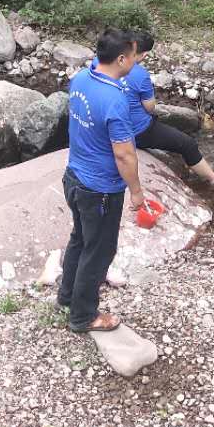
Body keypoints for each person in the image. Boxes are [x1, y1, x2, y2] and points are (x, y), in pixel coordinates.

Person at [58, 28, 147, 333]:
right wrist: (137, 192)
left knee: (81, 239)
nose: (136, 61)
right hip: (100, 190)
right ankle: (83, 316)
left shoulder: (82, 79)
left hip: (73, 177)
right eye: (134, 56)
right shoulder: (115, 100)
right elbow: (124, 155)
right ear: (121, 59)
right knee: (98, 251)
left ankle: (67, 297)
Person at [124, 30, 214, 190]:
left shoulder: (102, 63)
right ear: (144, 54)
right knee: (187, 144)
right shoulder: (139, 74)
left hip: (109, 125)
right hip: (136, 131)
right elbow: (149, 107)